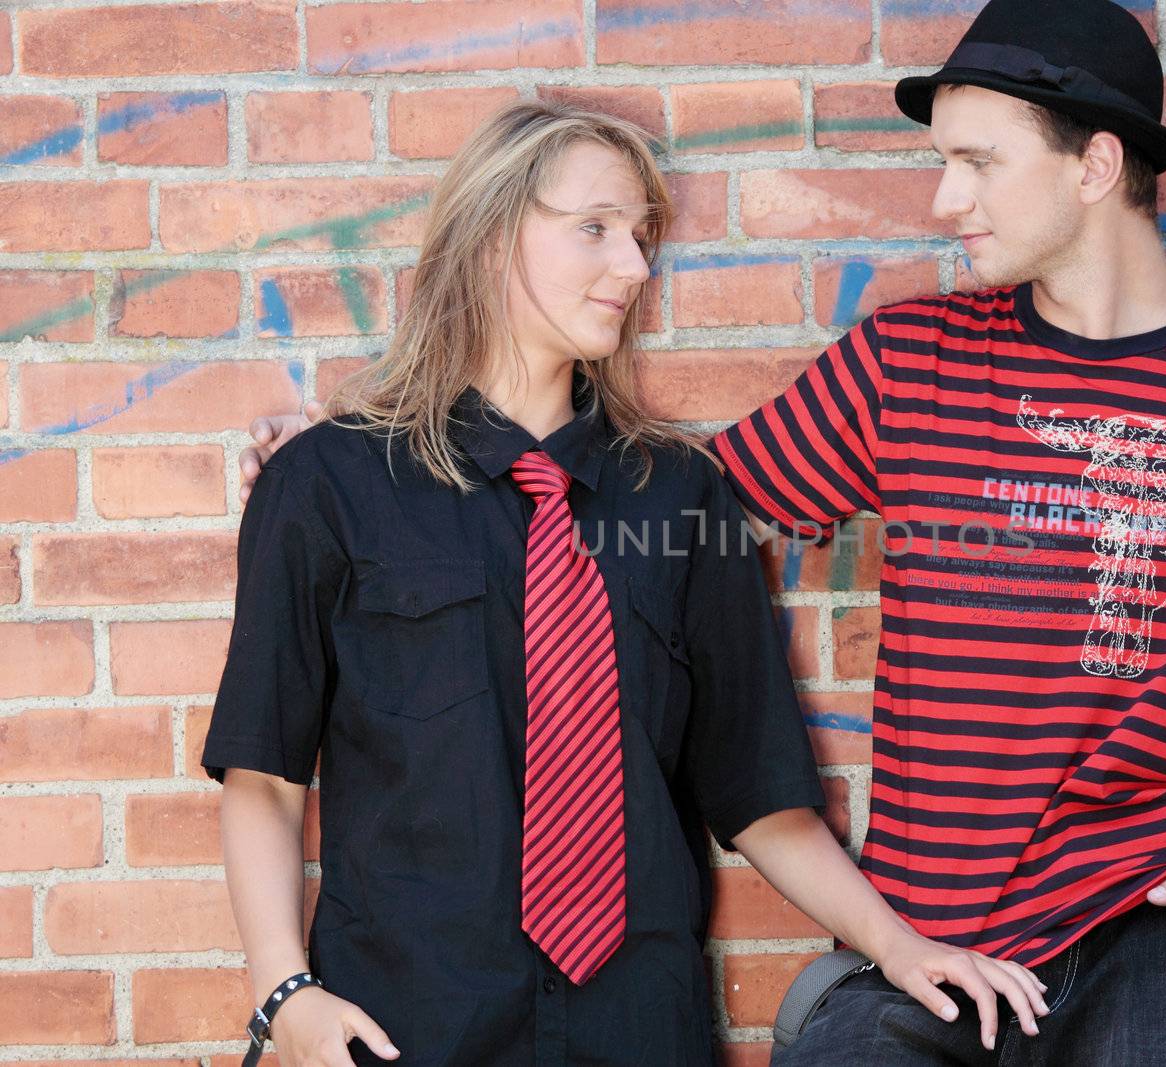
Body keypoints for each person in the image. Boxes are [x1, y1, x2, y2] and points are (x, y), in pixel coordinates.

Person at [240, 2, 1166, 1062]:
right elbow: (634, 498)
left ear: (1094, 164)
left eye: (974, 161)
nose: (941, 199)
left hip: (1161, 920)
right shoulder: (909, 363)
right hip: (927, 946)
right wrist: (359, 459)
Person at [205, 100, 1051, 1067]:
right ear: (490, 236)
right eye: (596, 228)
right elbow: (264, 776)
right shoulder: (329, 483)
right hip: (402, 1026)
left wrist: (902, 948)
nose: (634, 267)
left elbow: (759, 796)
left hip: (640, 1027)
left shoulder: (681, 493)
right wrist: (285, 996)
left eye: (643, 237)